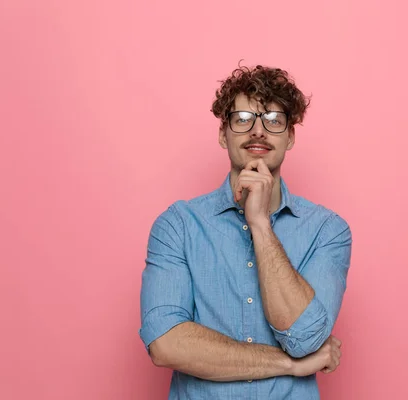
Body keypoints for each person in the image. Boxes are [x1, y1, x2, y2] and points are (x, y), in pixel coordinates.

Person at [139, 65, 353, 399]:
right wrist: (290, 365)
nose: (258, 131)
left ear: (290, 136)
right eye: (243, 119)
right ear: (223, 134)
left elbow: (306, 338)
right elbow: (166, 345)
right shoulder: (178, 225)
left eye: (273, 120)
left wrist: (260, 224)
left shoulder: (327, 230)